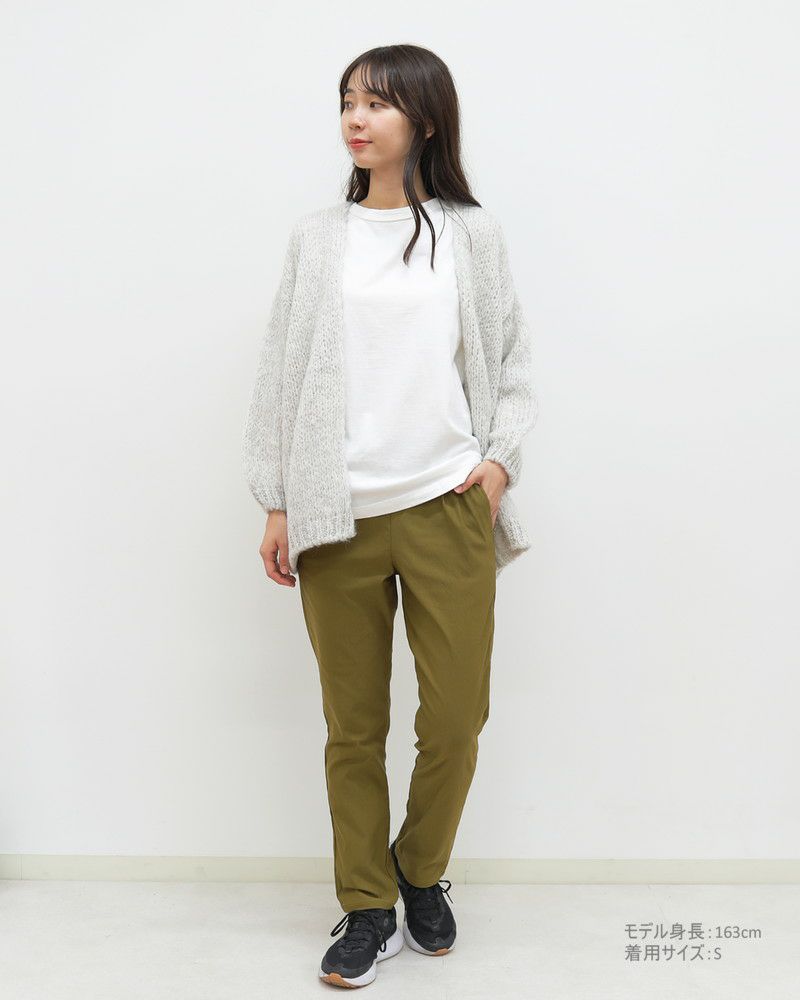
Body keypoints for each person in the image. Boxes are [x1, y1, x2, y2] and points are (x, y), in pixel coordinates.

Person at [242, 43, 537, 989]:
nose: (356, 118)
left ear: (427, 119)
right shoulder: (317, 237)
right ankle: (367, 905)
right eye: (347, 101)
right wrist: (279, 497)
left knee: (455, 720)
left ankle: (419, 869)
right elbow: (281, 371)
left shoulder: (470, 236)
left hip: (447, 504)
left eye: (377, 103)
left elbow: (511, 360)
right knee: (353, 726)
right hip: (337, 515)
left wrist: (497, 464)